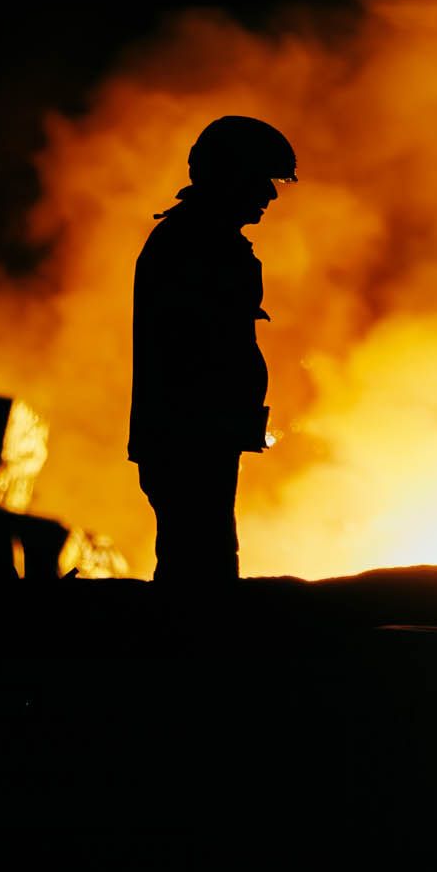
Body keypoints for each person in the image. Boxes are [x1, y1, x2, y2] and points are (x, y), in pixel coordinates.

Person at [128, 116, 296, 584]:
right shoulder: (194, 247)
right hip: (191, 441)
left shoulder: (202, 242)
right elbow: (198, 352)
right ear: (231, 176)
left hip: (200, 439)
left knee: (200, 561)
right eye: (261, 180)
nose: (270, 194)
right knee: (201, 573)